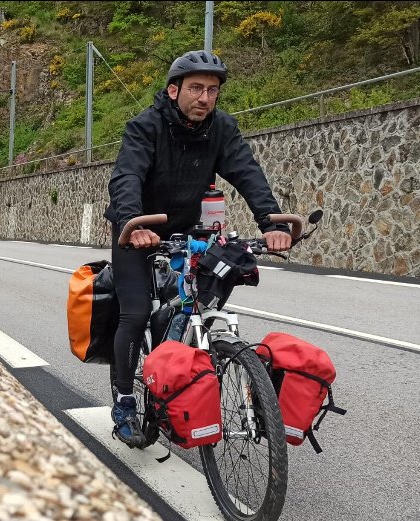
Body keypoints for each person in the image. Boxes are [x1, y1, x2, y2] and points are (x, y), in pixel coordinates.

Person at [103, 50, 293, 446]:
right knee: (135, 314)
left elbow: (246, 172)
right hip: (138, 229)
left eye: (212, 90)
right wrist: (131, 223)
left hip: (189, 229)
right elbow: (127, 177)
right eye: (195, 88)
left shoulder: (221, 128)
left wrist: (271, 222)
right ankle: (123, 400)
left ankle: (174, 369)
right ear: (174, 91)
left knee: (198, 304)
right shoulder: (145, 127)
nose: (204, 97)